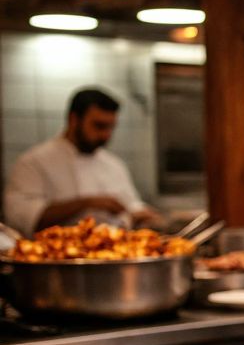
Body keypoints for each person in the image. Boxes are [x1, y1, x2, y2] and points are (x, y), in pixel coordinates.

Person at [4, 88, 161, 236]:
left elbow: (131, 206)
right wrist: (87, 203)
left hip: (113, 257)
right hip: (55, 260)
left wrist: (144, 216)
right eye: (99, 126)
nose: (106, 135)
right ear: (73, 119)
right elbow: (23, 218)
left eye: (111, 127)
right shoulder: (33, 162)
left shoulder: (113, 164)